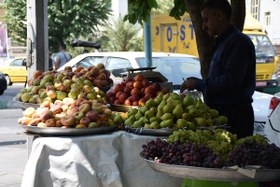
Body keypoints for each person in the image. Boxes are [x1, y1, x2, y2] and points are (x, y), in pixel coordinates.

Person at [180, 0, 256, 139]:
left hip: (235, 118)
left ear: (220, 16)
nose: (203, 26)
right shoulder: (222, 42)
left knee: (234, 159)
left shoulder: (238, 43)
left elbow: (231, 81)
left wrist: (199, 84)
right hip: (221, 115)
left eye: (206, 20)